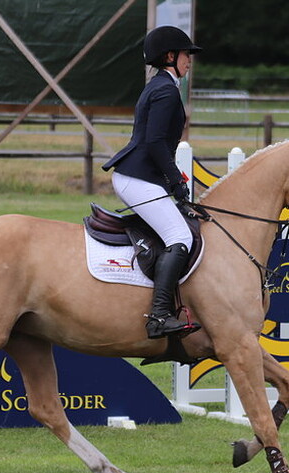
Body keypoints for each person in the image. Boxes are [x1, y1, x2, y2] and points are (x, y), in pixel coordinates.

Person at [102, 26, 202, 339]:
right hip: (138, 177)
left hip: (141, 174)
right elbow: (156, 142)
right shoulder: (166, 91)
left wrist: (173, 181)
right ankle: (159, 316)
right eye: (186, 54)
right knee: (180, 236)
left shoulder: (160, 85)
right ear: (170, 56)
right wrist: (176, 182)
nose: (189, 60)